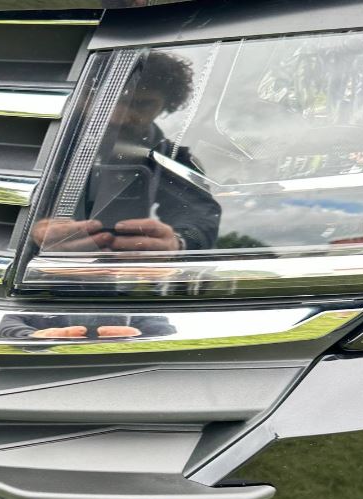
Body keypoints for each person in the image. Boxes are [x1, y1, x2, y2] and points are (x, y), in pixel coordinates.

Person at [22, 50, 222, 340]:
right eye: (111, 101)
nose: (122, 115)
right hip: (37, 287)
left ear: (166, 106)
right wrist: (30, 232)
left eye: (142, 104)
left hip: (127, 287)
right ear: (86, 98)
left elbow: (201, 218)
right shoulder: (45, 144)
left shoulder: (173, 158)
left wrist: (177, 243)